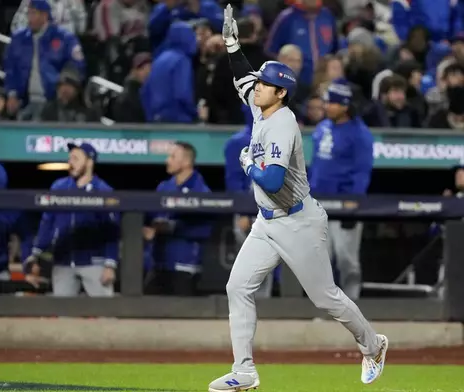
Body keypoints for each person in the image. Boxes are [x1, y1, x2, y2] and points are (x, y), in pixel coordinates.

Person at [208, 6, 388, 391]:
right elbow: (242, 73)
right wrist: (232, 42)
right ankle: (244, 371)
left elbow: (272, 180)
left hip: (297, 220)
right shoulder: (261, 105)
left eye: (264, 85)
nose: (255, 87)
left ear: (281, 92)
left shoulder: (283, 126)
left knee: (325, 298)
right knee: (237, 287)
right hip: (266, 221)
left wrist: (246, 166)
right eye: (258, 84)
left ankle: (373, 345)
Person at [24, 143, 119, 297]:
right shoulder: (59, 187)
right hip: (63, 261)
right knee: (62, 316)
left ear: (89, 162)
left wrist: (110, 264)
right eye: (70, 158)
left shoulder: (103, 190)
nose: (71, 162)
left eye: (76, 158)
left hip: (94, 263)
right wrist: (36, 254)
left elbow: (112, 230)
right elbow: (47, 222)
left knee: (105, 313)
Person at [309, 78, 374, 301]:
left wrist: (354, 206)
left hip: (345, 204)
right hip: (318, 204)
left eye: (333, 103)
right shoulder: (322, 128)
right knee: (319, 260)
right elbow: (315, 166)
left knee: (347, 260)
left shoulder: (360, 135)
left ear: (345, 106)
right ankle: (322, 306)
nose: (327, 107)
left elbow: (361, 173)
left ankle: (352, 304)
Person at [143, 142, 213, 296]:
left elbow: (204, 229)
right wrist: (151, 229)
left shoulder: (200, 190)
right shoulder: (164, 187)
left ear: (187, 162)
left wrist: (172, 227)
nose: (167, 160)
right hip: (159, 263)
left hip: (184, 266)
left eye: (173, 156)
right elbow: (152, 218)